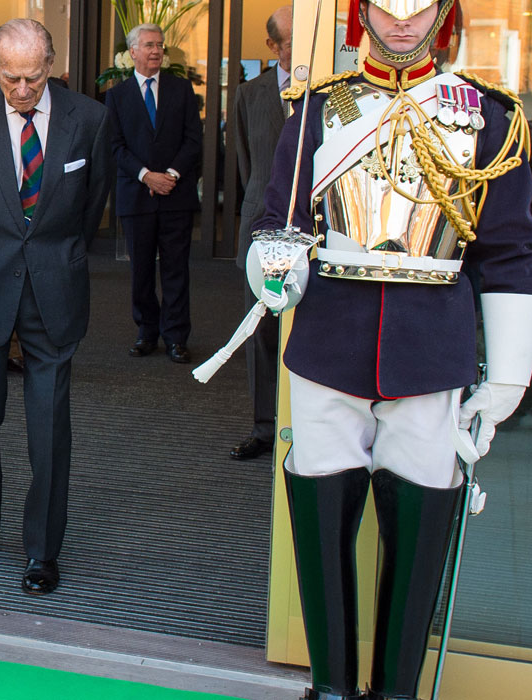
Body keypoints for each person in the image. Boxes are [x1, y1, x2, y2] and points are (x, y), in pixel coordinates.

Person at [252, 2, 532, 698]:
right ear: (363, 12)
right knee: (321, 523)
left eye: (420, 9)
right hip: (330, 345)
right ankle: (329, 689)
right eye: (388, 8)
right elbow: (280, 220)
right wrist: (270, 260)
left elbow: (509, 253)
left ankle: (395, 692)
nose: (404, 24)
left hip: (429, 352)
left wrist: (505, 379)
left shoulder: (489, 117)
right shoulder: (319, 109)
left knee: (419, 529)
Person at [0, 19, 111, 596]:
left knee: (49, 430)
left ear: (52, 64)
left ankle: (41, 550)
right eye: (10, 78)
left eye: (34, 77)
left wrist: (49, 255)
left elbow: (92, 209)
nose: (23, 89)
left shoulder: (90, 119)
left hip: (55, 291)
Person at [105, 23, 202, 364]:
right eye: (148, 45)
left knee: (176, 270)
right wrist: (147, 176)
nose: (156, 51)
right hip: (137, 197)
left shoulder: (182, 89)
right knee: (141, 272)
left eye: (160, 45)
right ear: (132, 52)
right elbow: (115, 146)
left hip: (176, 195)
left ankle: (176, 337)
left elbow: (194, 140)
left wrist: (170, 175)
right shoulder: (117, 96)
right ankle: (147, 332)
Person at [228, 6, 293, 460]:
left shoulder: (337, 94)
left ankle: (305, 425)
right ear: (272, 47)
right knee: (262, 330)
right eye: (292, 40)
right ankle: (264, 428)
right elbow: (247, 164)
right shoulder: (250, 95)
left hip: (318, 234)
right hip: (265, 232)